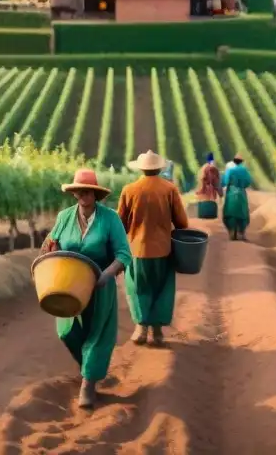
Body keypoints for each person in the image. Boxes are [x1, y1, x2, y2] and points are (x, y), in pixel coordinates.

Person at [38, 168, 132, 408]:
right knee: (67, 332)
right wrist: (50, 250)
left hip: (100, 284)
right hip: (69, 284)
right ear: (73, 193)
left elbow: (124, 254)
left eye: (87, 191)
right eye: (78, 190)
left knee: (98, 333)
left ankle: (87, 385)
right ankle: (89, 368)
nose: (83, 194)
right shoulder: (64, 217)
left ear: (96, 194)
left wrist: (107, 274)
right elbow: (50, 246)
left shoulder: (109, 218)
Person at [118, 150, 189, 348]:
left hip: (137, 250)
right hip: (163, 249)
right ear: (159, 168)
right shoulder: (169, 189)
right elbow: (182, 222)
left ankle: (141, 328)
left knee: (138, 288)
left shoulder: (129, 190)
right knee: (162, 289)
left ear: (141, 168)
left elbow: (120, 223)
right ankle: (157, 332)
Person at [221, 153, 253, 241]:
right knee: (242, 212)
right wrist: (242, 186)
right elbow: (248, 181)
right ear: (241, 162)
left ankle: (231, 231)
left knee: (230, 212)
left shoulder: (230, 170)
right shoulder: (245, 170)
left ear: (234, 161)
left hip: (231, 192)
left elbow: (225, 181)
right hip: (241, 193)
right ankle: (241, 232)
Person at [195, 153, 222, 219]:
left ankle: (203, 214)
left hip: (204, 190)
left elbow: (200, 180)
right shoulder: (214, 169)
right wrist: (220, 193)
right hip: (211, 190)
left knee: (204, 200)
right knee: (211, 200)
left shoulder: (203, 168)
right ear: (213, 160)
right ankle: (210, 214)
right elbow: (216, 182)